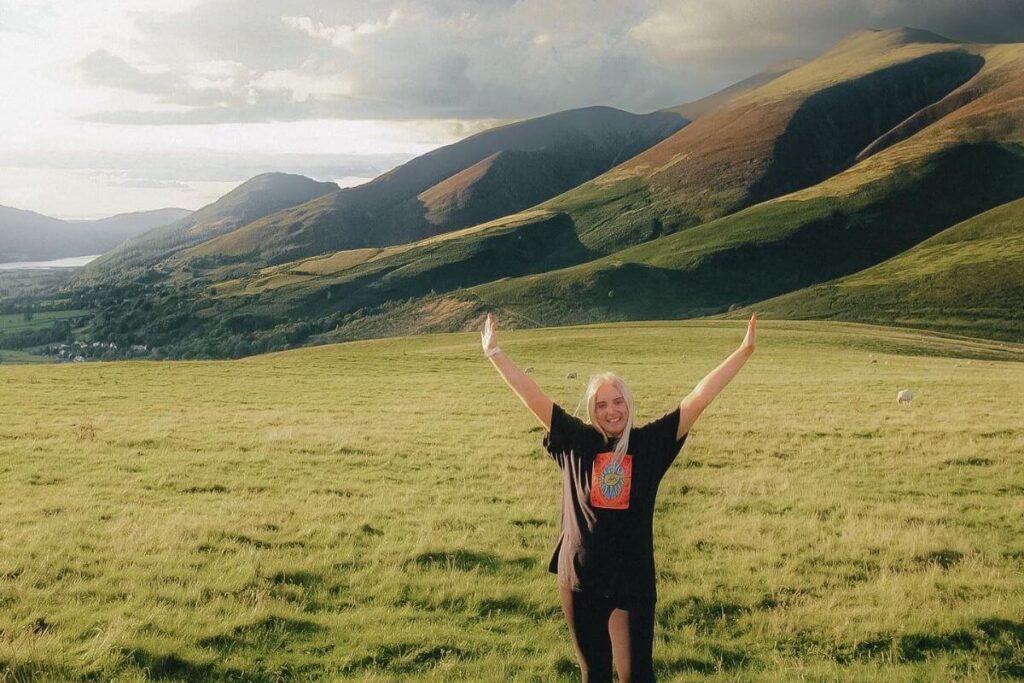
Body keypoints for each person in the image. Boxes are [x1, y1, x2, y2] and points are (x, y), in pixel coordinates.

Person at [482, 312, 757, 682]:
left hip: (632, 581)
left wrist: (743, 351)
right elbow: (534, 397)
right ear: (592, 411)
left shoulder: (648, 445)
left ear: (628, 404)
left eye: (618, 402)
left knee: (637, 675)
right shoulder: (577, 442)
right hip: (580, 580)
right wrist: (494, 352)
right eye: (601, 404)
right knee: (594, 674)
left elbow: (697, 399)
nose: (611, 411)